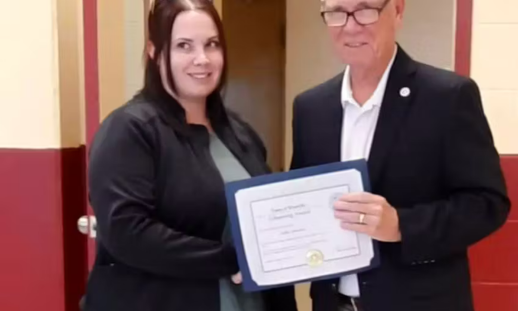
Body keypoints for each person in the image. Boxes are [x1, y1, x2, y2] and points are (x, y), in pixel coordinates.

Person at [289, 0, 510, 311]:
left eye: (366, 9)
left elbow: (488, 204)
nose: (351, 26)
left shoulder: (447, 97)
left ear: (398, 10)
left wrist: (401, 225)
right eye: (337, 13)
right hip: (332, 304)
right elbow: (305, 205)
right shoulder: (311, 107)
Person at [82, 1, 297, 311]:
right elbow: (127, 233)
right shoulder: (130, 130)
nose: (203, 59)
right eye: (184, 46)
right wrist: (228, 260)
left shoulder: (239, 132)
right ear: (155, 52)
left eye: (212, 45)